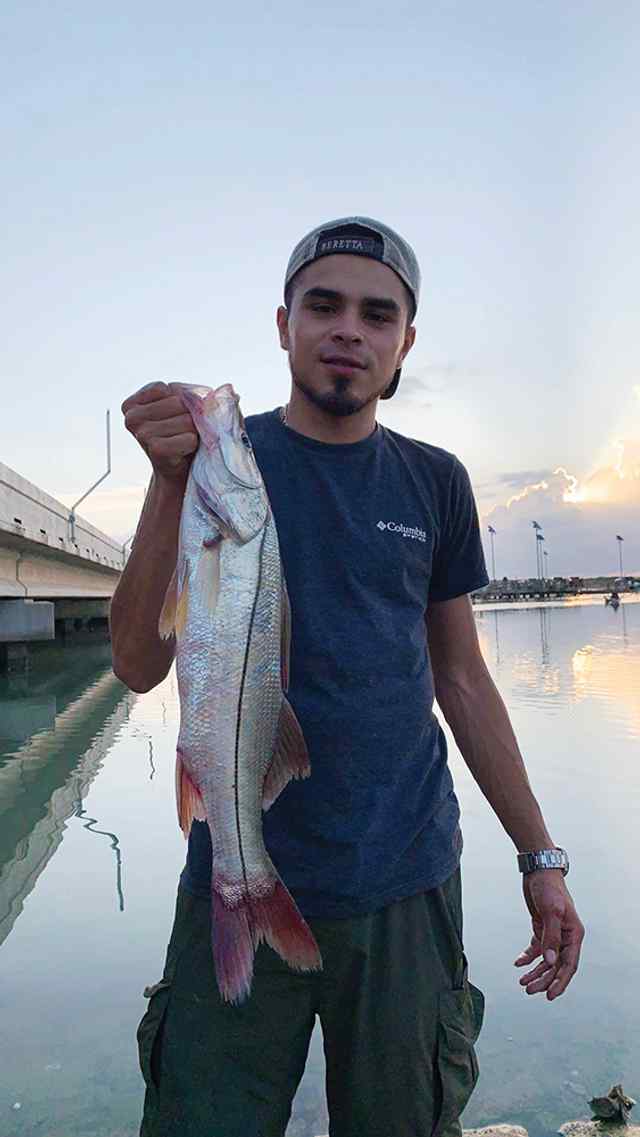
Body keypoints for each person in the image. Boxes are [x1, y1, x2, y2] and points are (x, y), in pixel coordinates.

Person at [111, 216, 585, 1137]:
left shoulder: (434, 481)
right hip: (235, 872)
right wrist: (169, 482)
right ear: (283, 321)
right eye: (323, 305)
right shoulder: (216, 463)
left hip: (404, 883)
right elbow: (136, 664)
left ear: (406, 341)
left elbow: (467, 683)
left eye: (378, 315)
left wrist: (542, 859)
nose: (348, 331)